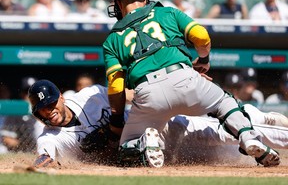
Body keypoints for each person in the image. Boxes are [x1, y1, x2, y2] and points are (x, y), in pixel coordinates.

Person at [103, 0, 280, 168]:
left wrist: (116, 122)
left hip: (148, 94)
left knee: (125, 150)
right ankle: (248, 137)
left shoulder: (112, 39)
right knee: (224, 102)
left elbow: (116, 87)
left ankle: (142, 142)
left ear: (119, 4)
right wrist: (203, 60)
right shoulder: (167, 12)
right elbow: (202, 36)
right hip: (185, 79)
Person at [27, 79, 288, 168]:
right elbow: (44, 157)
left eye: (51, 104)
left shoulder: (89, 96)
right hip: (160, 155)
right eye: (43, 110)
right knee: (223, 151)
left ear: (61, 97)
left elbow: (128, 96)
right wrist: (36, 167)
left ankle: (257, 118)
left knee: (225, 133)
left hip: (157, 127)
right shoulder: (50, 137)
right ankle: (254, 116)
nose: (50, 112)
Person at [0, 77, 41, 153]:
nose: (31, 95)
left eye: (34, 92)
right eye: (27, 92)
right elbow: (7, 138)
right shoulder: (15, 113)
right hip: (22, 151)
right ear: (22, 94)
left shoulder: (48, 111)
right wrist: (25, 145)